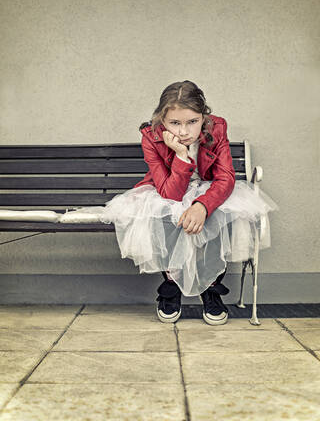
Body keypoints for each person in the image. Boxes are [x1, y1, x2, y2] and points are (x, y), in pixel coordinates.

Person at [70, 80, 279, 325]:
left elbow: (225, 177)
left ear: (204, 117)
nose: (184, 131)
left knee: (223, 212)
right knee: (165, 212)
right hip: (168, 189)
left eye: (192, 122)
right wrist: (180, 155)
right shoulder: (151, 136)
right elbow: (170, 194)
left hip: (209, 189)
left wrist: (202, 205)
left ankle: (211, 287)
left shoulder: (218, 128)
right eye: (175, 123)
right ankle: (172, 285)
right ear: (162, 119)